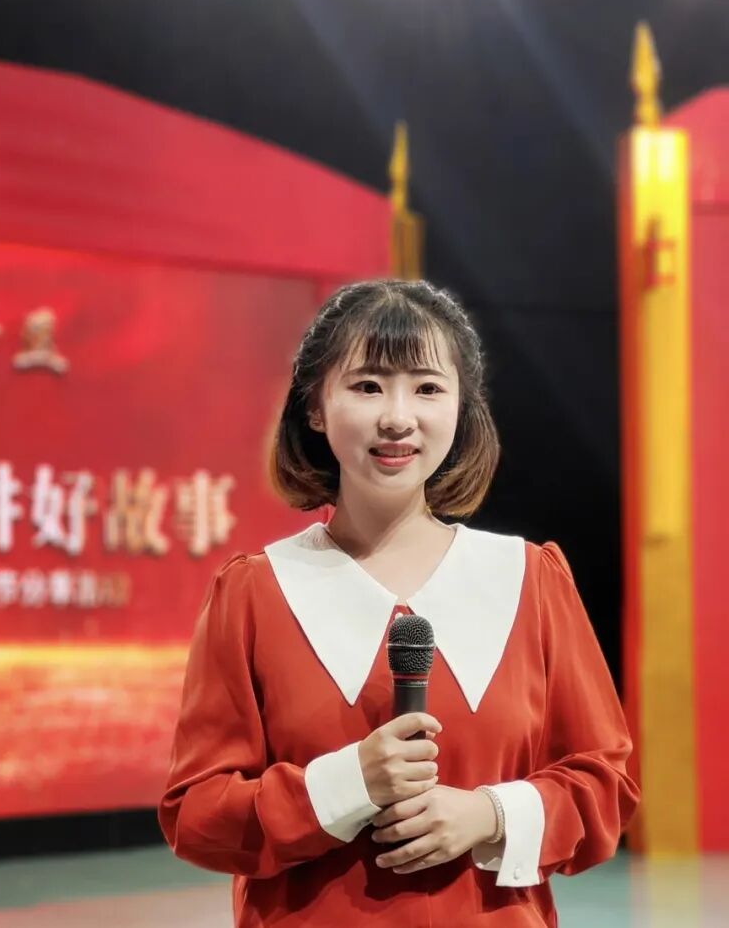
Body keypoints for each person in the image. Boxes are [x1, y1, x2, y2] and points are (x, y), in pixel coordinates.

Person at [158, 279, 639, 927]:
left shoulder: (529, 579)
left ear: (462, 408)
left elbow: (606, 788)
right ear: (315, 407)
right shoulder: (255, 592)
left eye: (428, 388)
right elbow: (196, 816)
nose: (397, 417)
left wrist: (489, 815)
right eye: (367, 386)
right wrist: (348, 782)